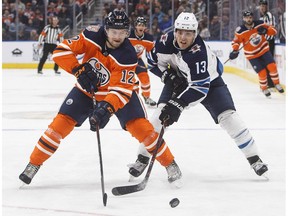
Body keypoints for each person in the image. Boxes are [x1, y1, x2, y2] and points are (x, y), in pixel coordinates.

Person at [19, 11, 182, 185]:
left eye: (122, 32)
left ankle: (170, 164)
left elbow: (121, 90)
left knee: (143, 130)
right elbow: (61, 51)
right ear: (106, 29)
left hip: (119, 94)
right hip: (86, 91)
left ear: (127, 32)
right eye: (113, 32)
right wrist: (77, 69)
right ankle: (33, 164)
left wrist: (106, 108)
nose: (117, 37)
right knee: (58, 126)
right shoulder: (91, 35)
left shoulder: (127, 54)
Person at [128, 12, 269, 180]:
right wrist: (167, 76)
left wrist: (177, 105)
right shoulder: (164, 41)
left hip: (210, 84)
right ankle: (142, 157)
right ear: (176, 30)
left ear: (195, 33)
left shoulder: (198, 52)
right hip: (179, 80)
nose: (183, 37)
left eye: (188, 33)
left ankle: (254, 158)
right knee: (157, 118)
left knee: (229, 118)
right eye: (180, 32)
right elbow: (151, 64)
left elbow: (200, 88)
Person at [229, 11, 284, 98]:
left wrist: (266, 30)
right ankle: (264, 88)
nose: (248, 19)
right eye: (246, 18)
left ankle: (276, 84)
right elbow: (236, 42)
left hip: (263, 50)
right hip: (252, 55)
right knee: (262, 73)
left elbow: (273, 31)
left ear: (252, 17)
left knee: (272, 66)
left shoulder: (260, 24)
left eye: (250, 17)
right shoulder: (240, 30)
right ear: (243, 19)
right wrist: (234, 50)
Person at [128, 16, 157, 107]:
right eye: (139, 25)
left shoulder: (148, 38)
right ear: (135, 26)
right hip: (125, 61)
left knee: (145, 78)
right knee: (131, 80)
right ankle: (133, 99)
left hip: (137, 60)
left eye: (143, 25)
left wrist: (155, 61)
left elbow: (151, 52)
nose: (141, 27)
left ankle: (146, 97)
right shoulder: (128, 35)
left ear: (145, 27)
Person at [258, 0, 277, 89]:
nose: (262, 8)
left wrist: (265, 30)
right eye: (261, 6)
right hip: (264, 43)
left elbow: (272, 28)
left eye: (264, 6)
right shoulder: (263, 17)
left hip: (269, 42)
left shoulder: (269, 16)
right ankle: (268, 82)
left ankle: (271, 83)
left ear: (266, 7)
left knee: (269, 62)